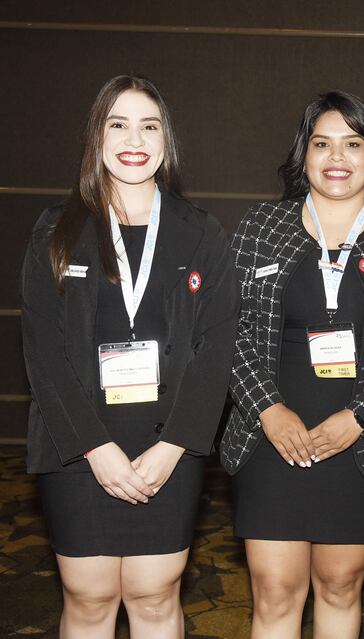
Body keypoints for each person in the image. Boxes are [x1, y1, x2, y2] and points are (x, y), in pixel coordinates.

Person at [22, 75, 238, 638]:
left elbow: (217, 347)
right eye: (117, 124)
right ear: (97, 137)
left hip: (168, 447)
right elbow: (43, 352)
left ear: (167, 140)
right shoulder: (55, 231)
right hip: (77, 445)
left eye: (149, 125)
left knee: (154, 593)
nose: (134, 138)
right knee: (89, 598)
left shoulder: (201, 232)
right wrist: (96, 449)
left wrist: (173, 447)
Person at [219, 90, 364, 639]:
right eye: (322, 143)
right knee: (274, 591)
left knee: (341, 586)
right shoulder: (261, 226)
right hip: (270, 436)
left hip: (361, 438)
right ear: (304, 154)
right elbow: (230, 329)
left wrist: (359, 417)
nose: (336, 157)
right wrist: (269, 411)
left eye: (352, 143)